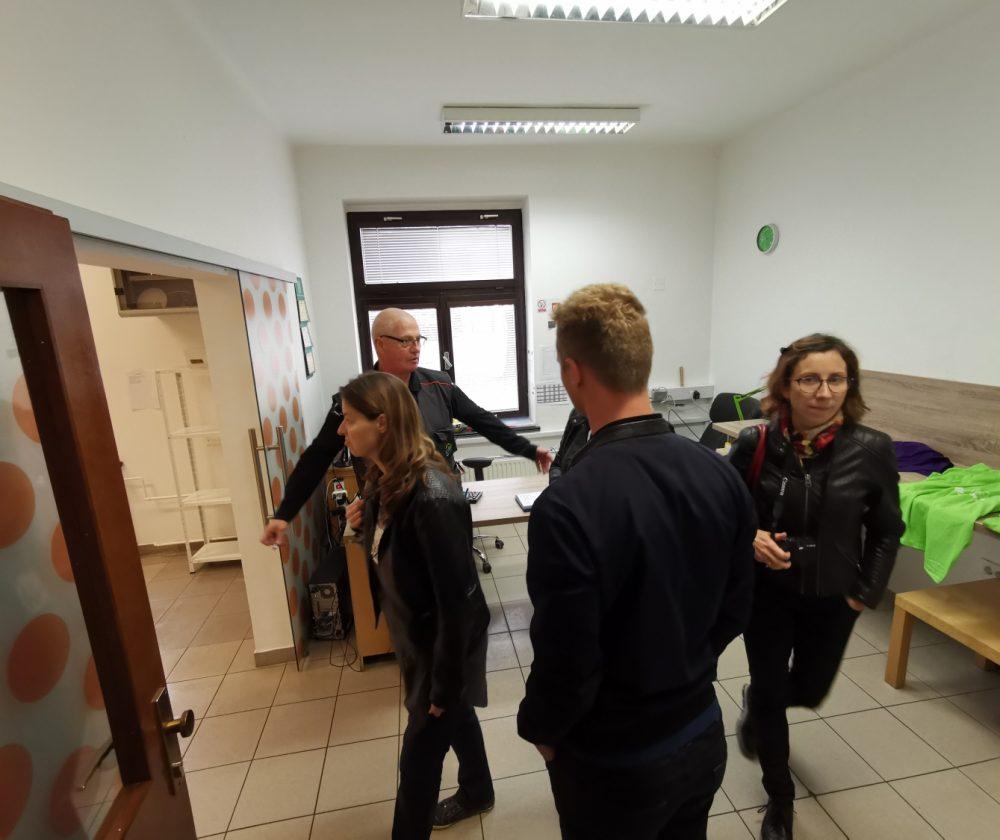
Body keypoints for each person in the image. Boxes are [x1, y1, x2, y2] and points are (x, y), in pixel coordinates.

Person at [517, 284, 756, 840]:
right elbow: (737, 605)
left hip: (616, 763)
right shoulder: (720, 474)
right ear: (642, 363)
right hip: (701, 734)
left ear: (573, 372)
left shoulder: (567, 505)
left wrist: (542, 730)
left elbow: (567, 656)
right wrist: (685, 663)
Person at [727, 334, 904, 840]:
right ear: (786, 385)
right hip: (767, 594)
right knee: (770, 690)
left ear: (850, 385)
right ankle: (780, 799)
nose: (824, 392)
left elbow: (887, 530)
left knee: (810, 689)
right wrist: (751, 536)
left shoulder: (871, 449)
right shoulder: (755, 443)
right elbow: (725, 511)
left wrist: (862, 594)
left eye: (836, 379)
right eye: (809, 379)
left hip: (834, 596)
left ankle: (759, 704)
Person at [340, 371, 494, 839]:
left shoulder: (432, 495)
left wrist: (442, 688)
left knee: (419, 761)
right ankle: (478, 790)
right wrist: (360, 524)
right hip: (418, 636)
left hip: (442, 644)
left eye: (349, 419)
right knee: (458, 716)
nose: (342, 430)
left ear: (382, 423)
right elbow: (392, 551)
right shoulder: (383, 479)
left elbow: (458, 605)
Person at [261, 307, 552, 545]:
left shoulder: (439, 384)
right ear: (380, 344)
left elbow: (483, 421)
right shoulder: (356, 400)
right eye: (405, 341)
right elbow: (317, 456)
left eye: (418, 340)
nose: (415, 348)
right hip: (388, 513)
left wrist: (528, 449)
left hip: (441, 505)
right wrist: (284, 514)